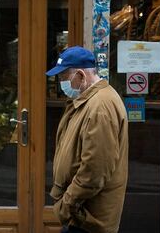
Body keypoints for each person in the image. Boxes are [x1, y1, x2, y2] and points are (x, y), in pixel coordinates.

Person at [46, 46, 129, 233]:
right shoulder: (88, 101)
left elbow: (95, 170)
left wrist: (67, 204)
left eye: (64, 77)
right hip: (82, 215)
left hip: (89, 217)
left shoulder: (100, 107)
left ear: (81, 76)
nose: (61, 83)